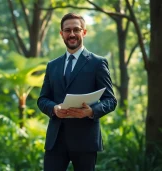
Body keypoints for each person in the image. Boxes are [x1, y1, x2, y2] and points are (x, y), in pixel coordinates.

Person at [37, 13, 117, 171]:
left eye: (76, 29)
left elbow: (111, 100)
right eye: (67, 30)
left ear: (84, 32)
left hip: (85, 140)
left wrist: (91, 111)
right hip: (56, 140)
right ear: (61, 34)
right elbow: (42, 99)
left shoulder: (98, 63)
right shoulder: (52, 66)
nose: (72, 34)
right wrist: (53, 108)